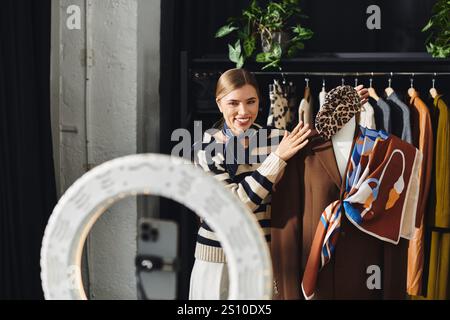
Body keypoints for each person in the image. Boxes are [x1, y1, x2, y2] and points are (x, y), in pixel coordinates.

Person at [189, 68, 311, 299]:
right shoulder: (205, 147)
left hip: (262, 258)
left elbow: (316, 140)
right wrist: (276, 160)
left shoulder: (276, 139)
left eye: (251, 102)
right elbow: (234, 206)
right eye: (233, 103)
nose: (243, 111)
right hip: (217, 260)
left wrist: (340, 105)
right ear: (219, 104)